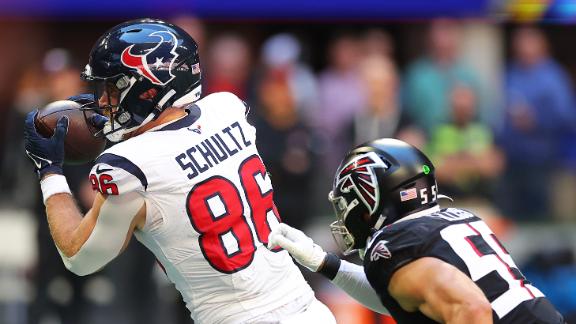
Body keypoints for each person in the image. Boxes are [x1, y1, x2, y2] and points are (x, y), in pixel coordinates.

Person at [23, 18, 335, 324]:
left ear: (146, 90)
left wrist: (49, 171)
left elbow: (80, 258)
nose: (103, 101)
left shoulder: (129, 165)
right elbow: (173, 140)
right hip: (311, 311)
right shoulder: (227, 109)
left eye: (113, 90)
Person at [268, 138, 565, 323]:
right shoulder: (458, 218)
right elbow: (408, 301)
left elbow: (471, 309)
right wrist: (325, 263)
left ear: (369, 197)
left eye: (347, 200)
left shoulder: (396, 242)